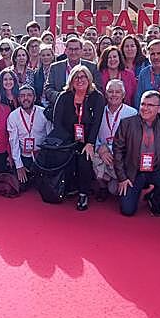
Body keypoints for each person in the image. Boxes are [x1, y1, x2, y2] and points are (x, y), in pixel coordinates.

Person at [112, 91, 160, 216]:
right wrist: (122, 177)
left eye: (150, 105)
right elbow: (117, 151)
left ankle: (155, 198)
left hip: (158, 169)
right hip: (134, 171)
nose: (145, 108)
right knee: (127, 210)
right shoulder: (127, 123)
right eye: (143, 104)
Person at [50, 65, 104, 210]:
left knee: (84, 158)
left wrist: (90, 143)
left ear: (89, 79)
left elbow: (97, 123)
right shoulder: (64, 96)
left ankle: (83, 193)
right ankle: (69, 186)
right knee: (67, 156)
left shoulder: (97, 97)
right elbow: (57, 122)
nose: (80, 80)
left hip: (87, 140)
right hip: (67, 140)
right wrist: (67, 143)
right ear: (71, 80)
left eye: (83, 77)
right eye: (76, 77)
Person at [92, 79, 138, 198]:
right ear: (105, 94)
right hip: (101, 151)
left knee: (114, 190)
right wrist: (99, 147)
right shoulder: (98, 111)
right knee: (88, 155)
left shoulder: (132, 113)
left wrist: (113, 151)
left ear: (123, 95)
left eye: (117, 92)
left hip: (120, 154)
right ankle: (102, 186)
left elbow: (133, 140)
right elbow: (91, 132)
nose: (114, 95)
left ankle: (112, 181)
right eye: (110, 91)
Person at [7, 84, 51, 189]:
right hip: (24, 156)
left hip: (41, 156)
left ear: (35, 98)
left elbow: (50, 138)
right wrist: (19, 166)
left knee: (45, 187)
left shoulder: (44, 113)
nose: (25, 98)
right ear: (18, 99)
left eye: (29, 95)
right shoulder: (13, 116)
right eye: (22, 96)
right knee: (21, 186)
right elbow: (14, 142)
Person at [43, 37, 99, 108]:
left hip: (85, 108)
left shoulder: (92, 67)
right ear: (65, 51)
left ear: (81, 51)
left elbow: (97, 88)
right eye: (70, 49)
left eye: (76, 49)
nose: (73, 52)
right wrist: (62, 98)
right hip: (61, 108)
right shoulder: (55, 67)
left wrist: (82, 98)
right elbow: (48, 89)